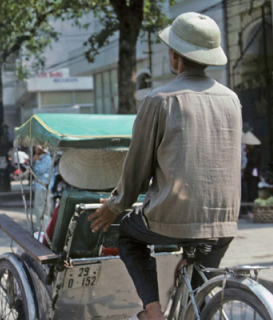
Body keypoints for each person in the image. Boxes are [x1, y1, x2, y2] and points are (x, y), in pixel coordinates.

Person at [88, 12, 242, 320]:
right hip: (225, 223)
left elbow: (137, 168)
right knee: (197, 288)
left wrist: (115, 206)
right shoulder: (232, 99)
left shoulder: (160, 99)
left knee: (129, 237)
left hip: (172, 218)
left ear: (175, 56)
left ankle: (153, 313)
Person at [32, 146, 53, 231]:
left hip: (42, 186)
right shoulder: (45, 158)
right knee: (43, 208)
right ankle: (43, 228)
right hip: (43, 185)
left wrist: (36, 161)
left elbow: (40, 170)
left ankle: (43, 229)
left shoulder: (46, 158)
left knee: (40, 207)